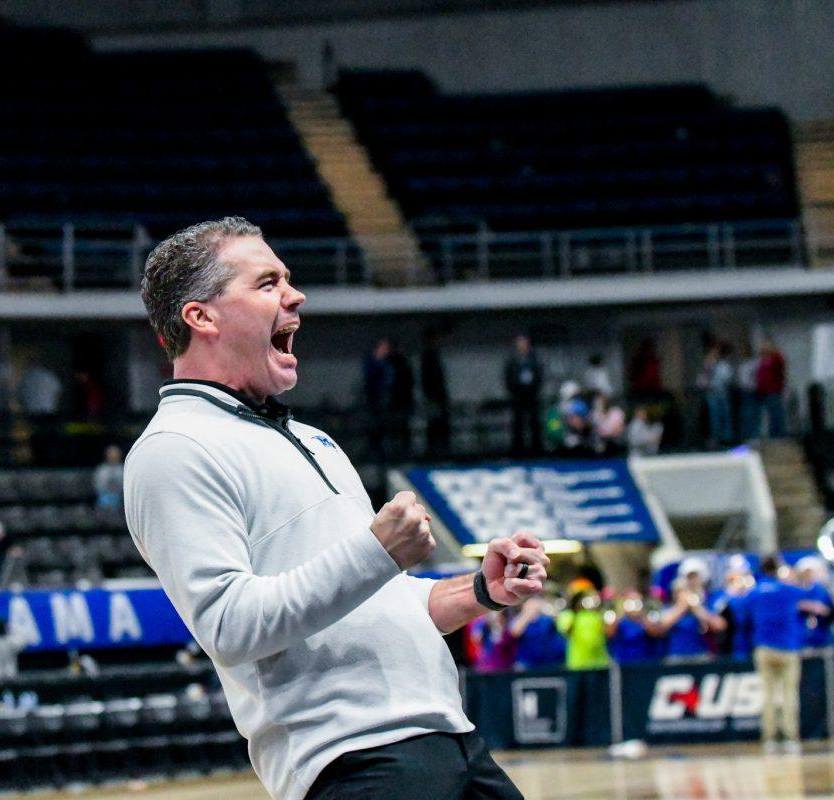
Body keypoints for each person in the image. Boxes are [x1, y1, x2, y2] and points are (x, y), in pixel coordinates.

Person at [126, 217, 548, 800]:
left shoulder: (308, 436)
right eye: (268, 283)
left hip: (449, 739)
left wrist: (477, 591)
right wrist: (376, 551)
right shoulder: (174, 450)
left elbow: (374, 600)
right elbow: (227, 624)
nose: (295, 295)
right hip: (356, 762)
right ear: (202, 317)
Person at [746, 556, 808, 753]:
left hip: (764, 648)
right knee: (789, 694)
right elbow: (807, 591)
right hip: (788, 648)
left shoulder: (755, 592)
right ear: (778, 568)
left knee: (768, 695)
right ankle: (790, 738)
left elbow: (742, 606)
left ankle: (770, 739)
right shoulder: (787, 589)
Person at [657, 562, 726, 662]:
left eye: (695, 577)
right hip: (677, 656)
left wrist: (697, 609)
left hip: (702, 655)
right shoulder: (672, 606)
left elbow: (720, 625)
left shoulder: (709, 600)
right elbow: (661, 627)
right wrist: (682, 606)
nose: (692, 581)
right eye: (689, 577)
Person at [710, 556, 756, 660]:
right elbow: (717, 622)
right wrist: (733, 593)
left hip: (751, 647)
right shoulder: (719, 596)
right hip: (728, 649)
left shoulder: (752, 595)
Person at [504, 335, 543, 456]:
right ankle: (518, 449)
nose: (522, 346)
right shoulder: (512, 360)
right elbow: (508, 378)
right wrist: (514, 391)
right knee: (518, 423)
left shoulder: (534, 360)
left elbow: (539, 377)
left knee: (534, 422)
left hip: (531, 394)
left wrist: (534, 390)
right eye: (519, 344)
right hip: (517, 395)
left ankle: (536, 449)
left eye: (524, 344)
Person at [556, 582, 609, 670]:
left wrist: (599, 609)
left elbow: (608, 632)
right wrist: (576, 612)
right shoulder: (568, 615)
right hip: (577, 664)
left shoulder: (598, 615)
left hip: (599, 664)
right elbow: (566, 631)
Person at [509, 596, 565, 670]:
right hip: (527, 664)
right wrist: (528, 613)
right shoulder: (519, 619)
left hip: (550, 663)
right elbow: (514, 632)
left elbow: (561, 627)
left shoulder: (546, 619)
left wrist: (549, 610)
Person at [420, 327, 451, 456]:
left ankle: (441, 447)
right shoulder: (428, 356)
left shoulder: (434, 355)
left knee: (440, 422)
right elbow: (428, 378)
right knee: (434, 423)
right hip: (433, 397)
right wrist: (432, 395)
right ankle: (434, 450)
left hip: (438, 396)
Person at [605, 591, 657, 664]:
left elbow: (654, 632)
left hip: (645, 662)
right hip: (624, 664)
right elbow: (609, 633)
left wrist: (641, 615)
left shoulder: (646, 618)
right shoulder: (621, 620)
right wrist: (621, 612)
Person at [698, 343, 734, 445]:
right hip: (712, 392)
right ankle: (716, 437)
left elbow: (727, 378)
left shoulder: (724, 365)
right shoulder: (709, 364)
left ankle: (727, 437)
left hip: (721, 391)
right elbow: (703, 378)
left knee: (725, 415)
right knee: (714, 416)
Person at [795, 556, 833, 649]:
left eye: (810, 573)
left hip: (821, 635)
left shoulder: (820, 590)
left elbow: (827, 610)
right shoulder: (796, 590)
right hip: (801, 637)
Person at [755, 340, 788, 438]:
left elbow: (780, 367)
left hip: (773, 390)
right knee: (771, 414)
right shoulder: (764, 361)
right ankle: (774, 434)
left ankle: (778, 434)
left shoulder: (776, 360)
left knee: (776, 413)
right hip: (765, 391)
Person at [94, 445, 125, 526]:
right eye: (111, 454)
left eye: (115, 454)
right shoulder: (101, 470)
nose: (113, 456)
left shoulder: (124, 469)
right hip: (104, 501)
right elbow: (98, 487)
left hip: (120, 501)